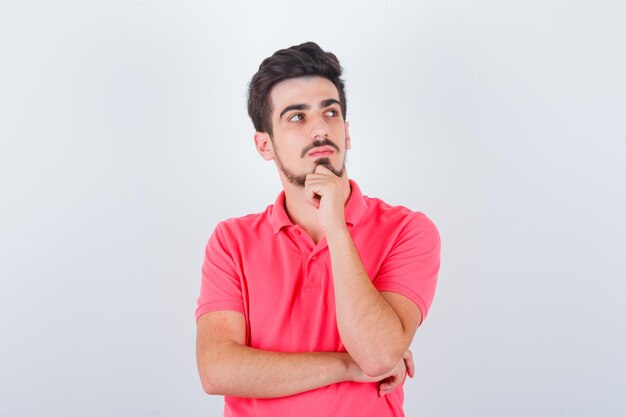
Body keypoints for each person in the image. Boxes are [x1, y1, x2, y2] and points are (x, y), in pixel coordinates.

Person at [194, 41, 441, 417]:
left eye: (330, 112)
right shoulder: (231, 241)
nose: (320, 129)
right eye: (296, 117)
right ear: (265, 145)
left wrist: (336, 227)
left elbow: (377, 354)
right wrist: (347, 366)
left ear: (347, 131)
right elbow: (217, 370)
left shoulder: (407, 231)